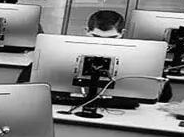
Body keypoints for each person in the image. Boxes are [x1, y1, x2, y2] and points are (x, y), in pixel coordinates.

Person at [16, 10, 173, 102]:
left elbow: (165, 95)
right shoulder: (61, 50)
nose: (103, 45)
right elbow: (23, 84)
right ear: (86, 31)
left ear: (123, 34)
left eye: (112, 39)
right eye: (96, 38)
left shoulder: (139, 57)